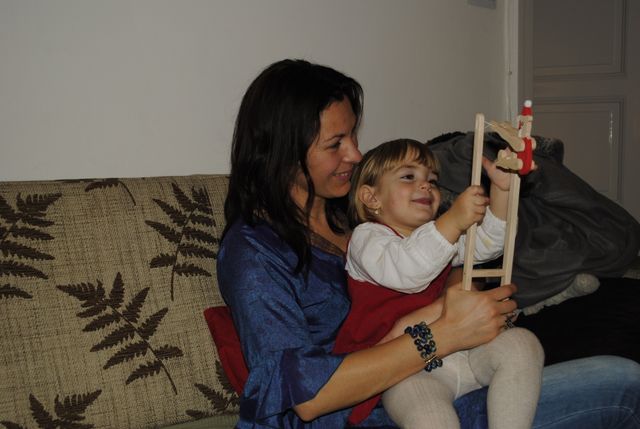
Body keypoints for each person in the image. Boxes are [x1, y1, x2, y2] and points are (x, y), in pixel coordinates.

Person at [217, 58, 640, 428]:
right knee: (623, 385)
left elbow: (447, 256)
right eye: (335, 144)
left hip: (455, 367)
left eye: (353, 137)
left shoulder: (349, 211)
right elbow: (305, 396)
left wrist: (455, 290)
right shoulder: (254, 253)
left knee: (616, 336)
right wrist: (441, 332)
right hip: (375, 411)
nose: (355, 155)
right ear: (281, 151)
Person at [334, 138, 543, 428]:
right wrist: (452, 222)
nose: (426, 185)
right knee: (431, 418)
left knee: (522, 344)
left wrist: (502, 192)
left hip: (463, 350)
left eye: (432, 180)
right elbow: (408, 271)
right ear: (371, 198)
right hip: (405, 370)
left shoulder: (438, 237)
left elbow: (487, 244)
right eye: (408, 177)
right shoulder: (366, 237)